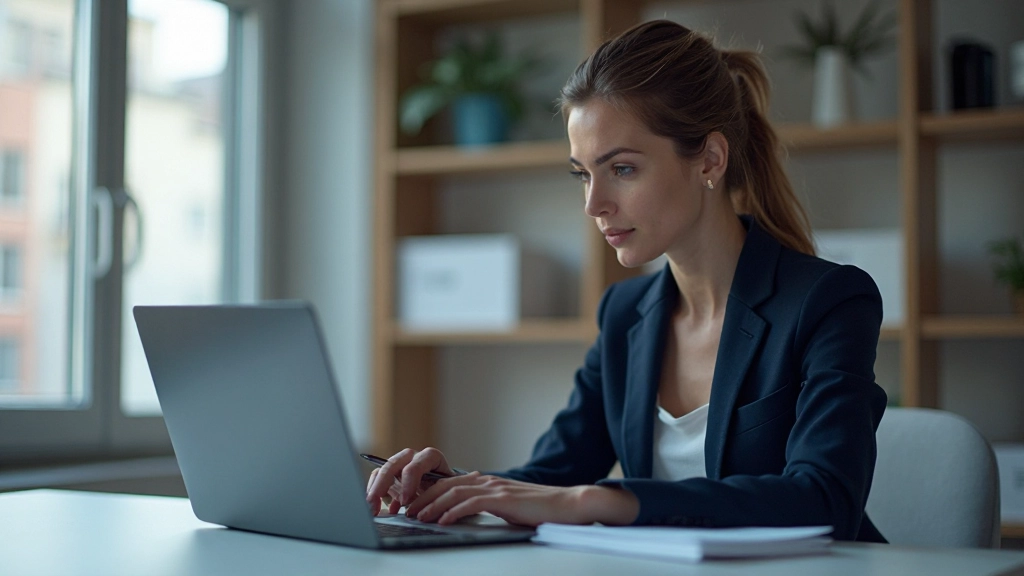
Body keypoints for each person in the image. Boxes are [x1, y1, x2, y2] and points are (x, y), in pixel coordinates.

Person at [366, 19, 888, 542]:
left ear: (709, 159)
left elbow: (825, 498)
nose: (594, 204)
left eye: (622, 169)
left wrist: (599, 500)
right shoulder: (625, 313)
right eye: (582, 174)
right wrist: (452, 487)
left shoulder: (828, 301)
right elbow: (553, 476)